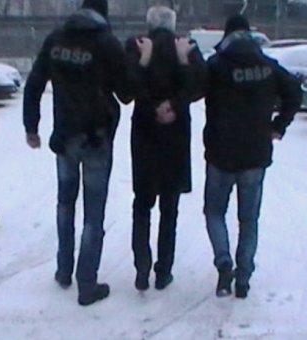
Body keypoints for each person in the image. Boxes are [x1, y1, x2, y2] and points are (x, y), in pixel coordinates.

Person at [23, 0, 135, 306]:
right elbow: (127, 94)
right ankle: (87, 283)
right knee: (93, 213)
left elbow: (34, 83)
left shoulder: (56, 39)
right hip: (96, 137)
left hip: (64, 136)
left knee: (65, 204)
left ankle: (63, 269)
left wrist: (31, 127)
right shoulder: (106, 43)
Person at [203, 15, 302, 298]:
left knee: (214, 212)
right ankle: (243, 277)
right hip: (256, 154)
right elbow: (295, 93)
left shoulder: (217, 66)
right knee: (249, 220)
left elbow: (195, 89)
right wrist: (278, 126)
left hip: (221, 154)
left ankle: (224, 263)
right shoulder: (267, 66)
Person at [124, 6, 206, 291]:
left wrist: (151, 103)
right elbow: (200, 86)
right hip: (176, 135)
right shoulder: (185, 47)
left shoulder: (137, 46)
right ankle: (163, 270)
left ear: (148, 25)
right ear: (173, 25)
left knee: (142, 204)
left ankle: (141, 267)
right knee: (169, 208)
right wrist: (174, 105)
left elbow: (127, 88)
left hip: (145, 132)